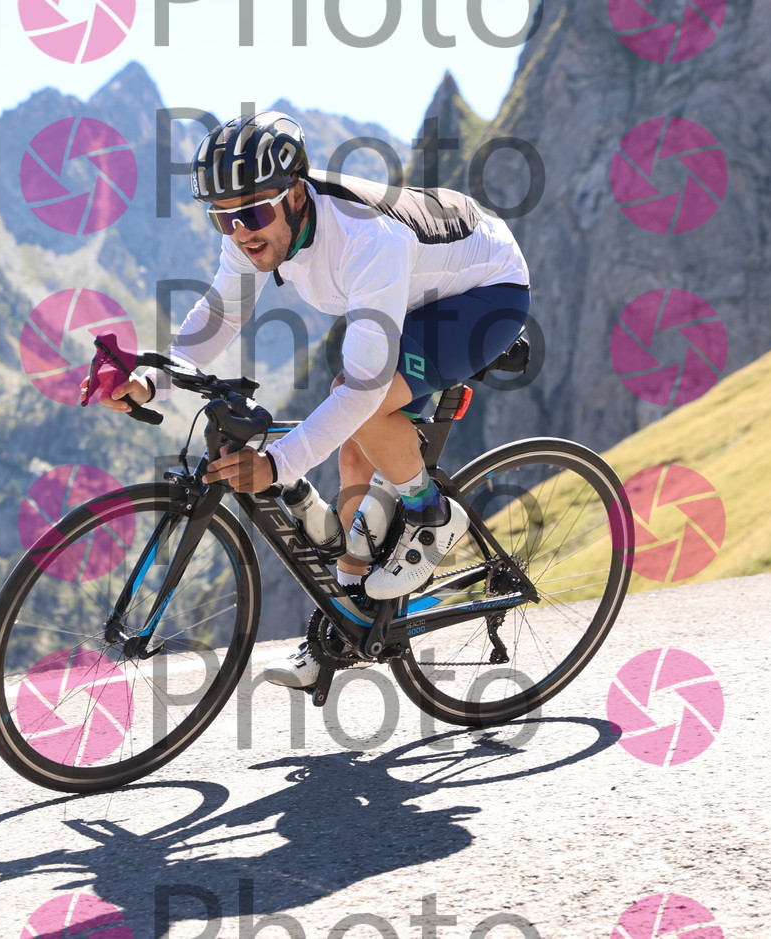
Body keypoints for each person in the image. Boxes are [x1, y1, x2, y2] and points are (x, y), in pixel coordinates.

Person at [95, 111, 531, 689]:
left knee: (365, 404)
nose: (240, 232)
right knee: (356, 449)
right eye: (222, 218)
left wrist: (279, 464)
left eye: (252, 214)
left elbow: (365, 388)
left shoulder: (366, 237)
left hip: (485, 293)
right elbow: (222, 311)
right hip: (416, 291)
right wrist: (154, 381)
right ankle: (348, 617)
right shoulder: (255, 226)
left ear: (296, 195)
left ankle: (431, 513)